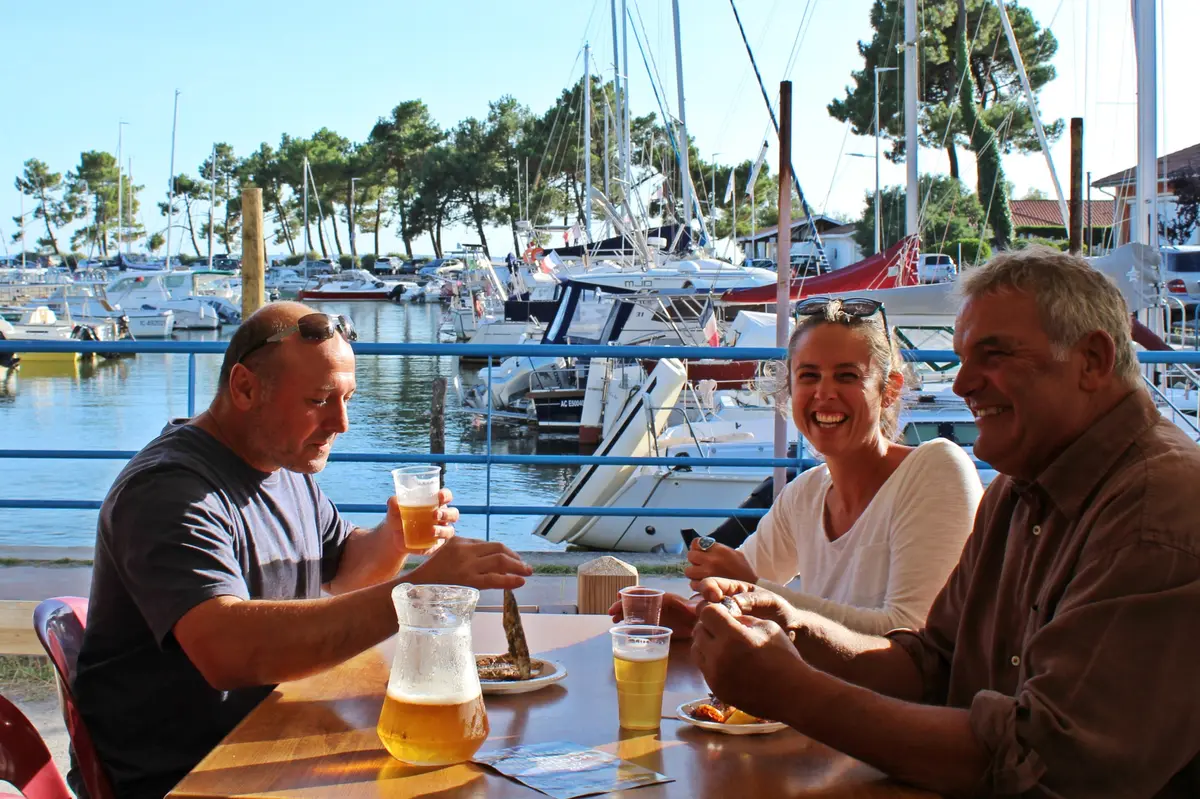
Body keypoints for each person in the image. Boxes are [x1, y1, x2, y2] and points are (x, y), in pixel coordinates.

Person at [691, 247, 1200, 798]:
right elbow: (930, 663)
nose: (961, 385)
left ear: (1093, 361)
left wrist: (791, 690)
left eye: (995, 355)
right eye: (962, 358)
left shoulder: (1157, 509)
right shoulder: (1019, 486)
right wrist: (792, 625)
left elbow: (1046, 761)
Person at [73, 302, 533, 799]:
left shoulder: (280, 466)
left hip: (273, 736)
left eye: (348, 399)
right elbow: (228, 650)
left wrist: (392, 539)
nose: (342, 423)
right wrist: (416, 594)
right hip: (188, 774)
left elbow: (345, 569)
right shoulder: (169, 492)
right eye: (319, 400)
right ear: (245, 388)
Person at [619, 297, 982, 636]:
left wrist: (753, 589)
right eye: (808, 376)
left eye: (847, 376)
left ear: (889, 390)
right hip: (813, 697)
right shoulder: (806, 493)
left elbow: (909, 634)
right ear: (790, 389)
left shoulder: (936, 469)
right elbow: (734, 589)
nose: (824, 393)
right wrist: (691, 614)